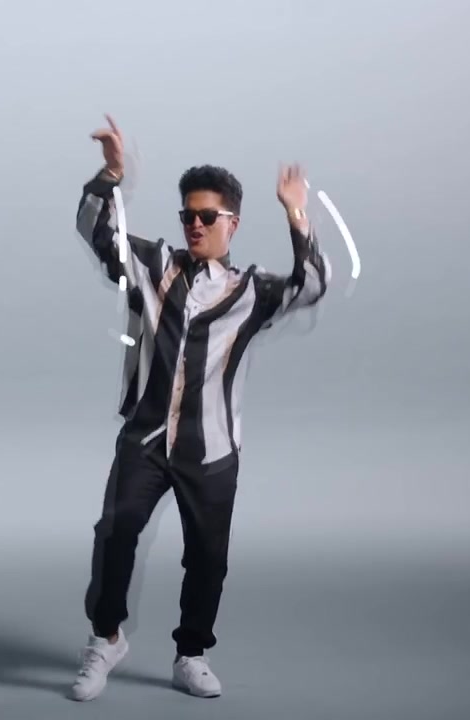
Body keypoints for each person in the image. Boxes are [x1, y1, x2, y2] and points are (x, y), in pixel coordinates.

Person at [69, 115, 331, 701]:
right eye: (187, 214)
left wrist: (296, 214)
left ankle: (191, 653)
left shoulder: (252, 292)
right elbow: (93, 227)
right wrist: (111, 174)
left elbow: (313, 283)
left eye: (207, 216)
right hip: (144, 441)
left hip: (211, 452)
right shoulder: (153, 267)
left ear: (232, 223)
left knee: (208, 557)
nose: (194, 224)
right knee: (115, 532)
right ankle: (106, 638)